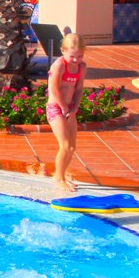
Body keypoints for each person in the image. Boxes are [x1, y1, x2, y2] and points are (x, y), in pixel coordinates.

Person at [47, 32, 87, 193]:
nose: (76, 60)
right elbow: (54, 89)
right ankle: (59, 179)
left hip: (69, 108)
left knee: (72, 147)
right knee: (64, 145)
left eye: (80, 56)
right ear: (63, 51)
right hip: (55, 107)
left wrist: (75, 107)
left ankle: (61, 174)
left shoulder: (82, 67)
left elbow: (79, 89)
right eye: (72, 56)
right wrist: (63, 107)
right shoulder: (59, 65)